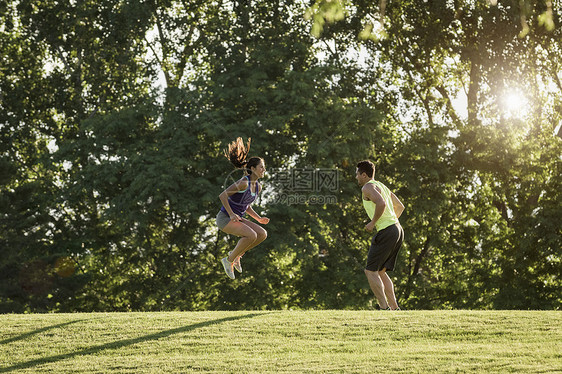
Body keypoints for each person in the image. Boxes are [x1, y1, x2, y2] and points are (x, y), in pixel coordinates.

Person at [217, 137, 269, 279]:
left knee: (262, 234)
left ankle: (238, 255)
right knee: (251, 235)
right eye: (261, 167)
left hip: (238, 218)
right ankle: (228, 260)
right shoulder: (243, 183)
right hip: (225, 218)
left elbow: (246, 206)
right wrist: (232, 214)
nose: (264, 169)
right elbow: (223, 196)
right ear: (252, 169)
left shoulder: (258, 186)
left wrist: (258, 218)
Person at [355, 160, 405, 310]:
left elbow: (381, 203)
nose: (356, 177)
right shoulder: (382, 185)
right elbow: (400, 207)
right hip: (397, 229)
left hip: (387, 230)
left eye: (357, 174)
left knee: (370, 271)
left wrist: (373, 223)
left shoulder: (367, 187)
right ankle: (395, 308)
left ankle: (384, 308)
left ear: (364, 175)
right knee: (381, 272)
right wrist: (391, 222)